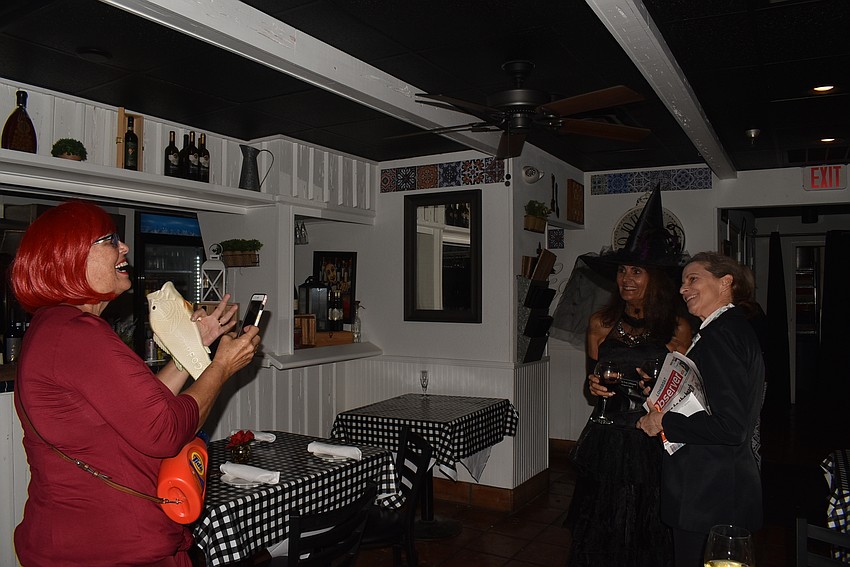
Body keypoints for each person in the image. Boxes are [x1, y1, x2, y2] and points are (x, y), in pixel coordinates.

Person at [11, 201, 261, 566]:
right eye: (110, 239)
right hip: (109, 547)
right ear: (70, 257)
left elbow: (144, 410)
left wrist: (193, 350)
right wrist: (221, 367)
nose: (124, 247)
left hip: (83, 540)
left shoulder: (56, 328)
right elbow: (165, 429)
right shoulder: (77, 334)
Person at [565, 186, 692, 566]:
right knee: (601, 522)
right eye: (622, 270)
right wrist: (593, 385)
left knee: (645, 523)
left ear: (656, 278)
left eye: (637, 270)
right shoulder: (600, 323)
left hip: (650, 440)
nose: (627, 278)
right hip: (606, 436)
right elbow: (594, 387)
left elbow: (685, 393)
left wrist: (660, 394)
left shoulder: (677, 328)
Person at [637, 251, 765, 566]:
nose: (683, 289)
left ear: (725, 283)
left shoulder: (721, 336)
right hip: (719, 487)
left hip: (710, 493)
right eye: (682, 282)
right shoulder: (726, 329)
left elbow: (730, 426)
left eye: (693, 279)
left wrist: (663, 421)